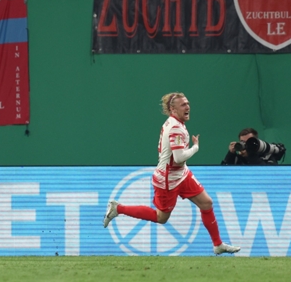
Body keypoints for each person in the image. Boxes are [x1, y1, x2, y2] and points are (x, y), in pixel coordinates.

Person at [103, 92, 241, 256]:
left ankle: (218, 244)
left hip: (181, 174)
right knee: (161, 217)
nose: (188, 107)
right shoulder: (176, 127)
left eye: (188, 103)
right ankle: (119, 208)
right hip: (168, 180)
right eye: (183, 105)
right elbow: (178, 157)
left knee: (206, 203)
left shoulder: (175, 123)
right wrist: (196, 148)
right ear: (172, 109)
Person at [222, 127, 286, 166]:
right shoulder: (238, 157)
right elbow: (222, 174)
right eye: (242, 142)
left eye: (248, 142)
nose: (245, 144)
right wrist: (231, 154)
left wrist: (250, 156)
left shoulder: (267, 155)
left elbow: (268, 174)